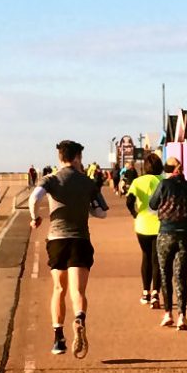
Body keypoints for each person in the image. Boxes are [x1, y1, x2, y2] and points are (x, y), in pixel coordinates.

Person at [30, 140, 109, 356]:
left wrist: (34, 217)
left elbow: (34, 197)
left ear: (60, 157)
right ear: (77, 158)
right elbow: (102, 212)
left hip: (56, 240)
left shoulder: (51, 179)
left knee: (59, 289)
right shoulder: (87, 182)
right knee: (78, 290)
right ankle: (79, 318)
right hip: (80, 239)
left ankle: (58, 340)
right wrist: (86, 207)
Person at [147, 156, 187, 330]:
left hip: (166, 233)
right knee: (181, 277)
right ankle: (182, 316)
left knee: (165, 274)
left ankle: (167, 314)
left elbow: (153, 204)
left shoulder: (164, 185)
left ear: (168, 169)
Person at [124, 153, 164, 307]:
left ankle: (145, 292)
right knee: (157, 260)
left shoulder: (137, 181)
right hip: (161, 224)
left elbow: (129, 201)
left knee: (146, 257)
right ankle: (156, 293)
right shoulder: (163, 181)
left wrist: (135, 213)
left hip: (142, 224)